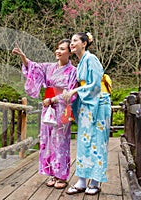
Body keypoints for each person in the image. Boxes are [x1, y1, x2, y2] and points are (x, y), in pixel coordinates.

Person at [12, 39, 77, 189]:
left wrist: (54, 98)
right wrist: (22, 56)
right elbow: (33, 67)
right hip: (48, 108)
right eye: (57, 48)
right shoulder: (49, 67)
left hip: (62, 108)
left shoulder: (73, 71)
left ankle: (61, 176)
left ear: (69, 53)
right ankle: (51, 173)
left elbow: (72, 94)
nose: (58, 51)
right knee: (47, 140)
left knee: (60, 141)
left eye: (62, 49)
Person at [63, 32, 111, 195]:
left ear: (84, 43)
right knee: (84, 141)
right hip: (86, 104)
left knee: (97, 141)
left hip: (99, 103)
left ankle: (96, 181)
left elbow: (95, 84)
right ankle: (82, 180)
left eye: (75, 40)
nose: (72, 43)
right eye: (71, 41)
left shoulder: (91, 59)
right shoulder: (81, 62)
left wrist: (75, 90)